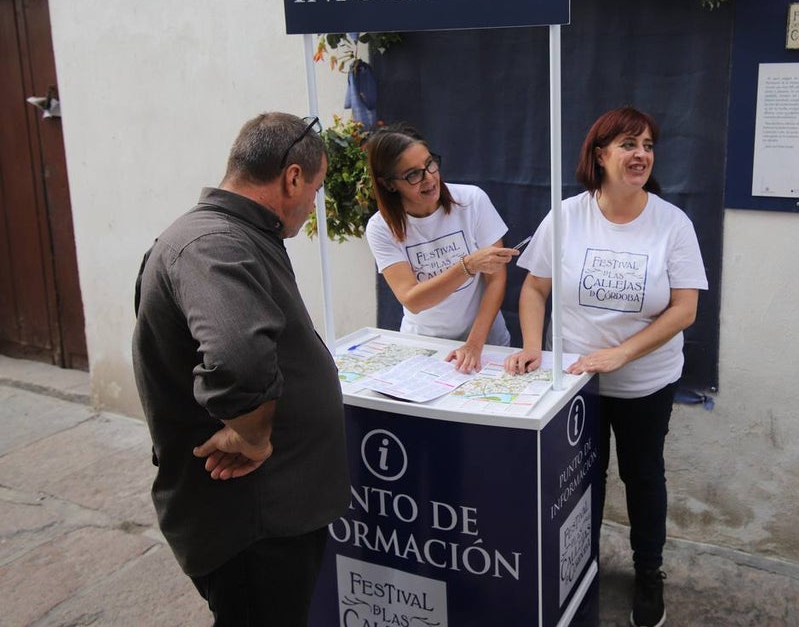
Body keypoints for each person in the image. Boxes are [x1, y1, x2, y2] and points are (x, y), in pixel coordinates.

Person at [132, 112, 350, 626]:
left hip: (273, 510)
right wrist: (252, 437)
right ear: (292, 177)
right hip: (252, 520)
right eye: (315, 189)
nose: (313, 204)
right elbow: (239, 359)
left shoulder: (237, 233)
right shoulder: (214, 244)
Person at [505, 106, 708, 627]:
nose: (640, 154)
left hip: (645, 381)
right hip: (578, 383)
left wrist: (624, 353)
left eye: (647, 145)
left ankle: (648, 572)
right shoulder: (567, 216)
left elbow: (685, 308)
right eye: (627, 144)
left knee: (643, 477)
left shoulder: (671, 222)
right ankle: (581, 565)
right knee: (580, 479)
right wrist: (533, 343)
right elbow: (533, 286)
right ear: (600, 155)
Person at [365, 123, 518, 371]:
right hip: (424, 346)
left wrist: (474, 344)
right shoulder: (381, 227)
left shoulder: (471, 201)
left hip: (485, 342)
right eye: (413, 175)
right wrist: (467, 266)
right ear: (389, 184)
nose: (429, 178)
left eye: (430, 164)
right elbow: (412, 299)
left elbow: (496, 280)